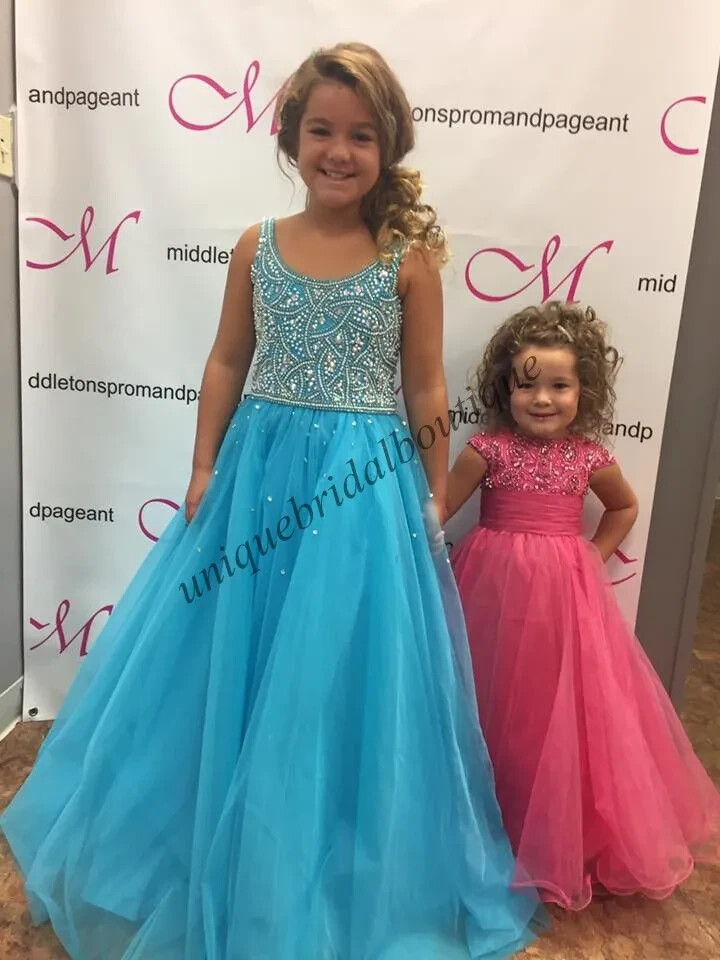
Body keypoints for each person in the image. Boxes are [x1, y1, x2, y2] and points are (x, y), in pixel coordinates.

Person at [1, 42, 543, 959]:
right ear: (291, 136)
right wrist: (203, 464)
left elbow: (423, 387)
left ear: (389, 146)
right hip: (256, 475)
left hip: (361, 490)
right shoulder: (257, 245)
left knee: (338, 664)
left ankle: (320, 845)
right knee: (230, 655)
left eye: (362, 135)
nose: (339, 150)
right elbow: (226, 359)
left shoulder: (407, 259)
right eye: (322, 129)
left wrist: (428, 491)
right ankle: (219, 836)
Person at [447, 300, 720, 911]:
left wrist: (592, 557)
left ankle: (547, 834)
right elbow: (438, 510)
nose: (542, 399)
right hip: (488, 589)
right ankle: (481, 823)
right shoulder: (486, 450)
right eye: (527, 385)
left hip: (564, 598)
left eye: (559, 386)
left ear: (584, 390)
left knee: (555, 708)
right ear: (505, 389)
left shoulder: (589, 457)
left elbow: (624, 506)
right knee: (486, 697)